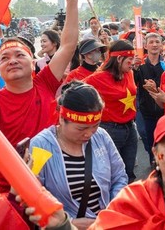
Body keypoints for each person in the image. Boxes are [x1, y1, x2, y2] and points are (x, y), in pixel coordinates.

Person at [0, 0, 79, 192]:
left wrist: (72, 1)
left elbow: (68, 44)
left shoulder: (45, 83)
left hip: (59, 177)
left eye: (19, 55)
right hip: (15, 185)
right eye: (4, 58)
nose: (12, 60)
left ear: (33, 63)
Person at [32, 82, 128, 228]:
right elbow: (34, 197)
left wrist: (113, 210)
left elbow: (119, 176)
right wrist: (69, 223)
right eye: (81, 128)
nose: (89, 134)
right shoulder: (40, 146)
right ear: (61, 119)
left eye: (95, 125)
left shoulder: (101, 136)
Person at [83, 40, 139, 183]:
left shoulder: (129, 73)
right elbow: (74, 90)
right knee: (112, 173)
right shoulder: (98, 78)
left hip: (130, 128)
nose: (132, 62)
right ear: (119, 59)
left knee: (129, 171)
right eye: (129, 59)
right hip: (110, 130)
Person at [134, 33, 165, 167]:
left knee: (163, 138)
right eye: (151, 42)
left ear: (161, 45)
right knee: (146, 135)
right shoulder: (140, 64)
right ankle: (153, 158)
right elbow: (133, 83)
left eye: (157, 42)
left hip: (164, 110)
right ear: (146, 46)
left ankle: (161, 163)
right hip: (145, 109)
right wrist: (134, 69)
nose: (154, 45)